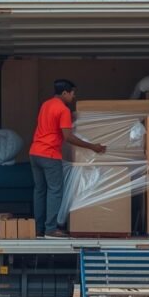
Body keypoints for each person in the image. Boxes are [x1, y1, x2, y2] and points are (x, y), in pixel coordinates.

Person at [29, 79, 107, 238]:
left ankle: (38, 229)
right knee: (55, 191)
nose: (74, 96)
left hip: (35, 152)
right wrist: (93, 146)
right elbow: (68, 137)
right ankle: (50, 230)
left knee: (39, 191)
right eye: (72, 93)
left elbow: (50, 125)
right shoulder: (63, 109)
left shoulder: (46, 104)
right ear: (65, 93)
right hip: (49, 155)